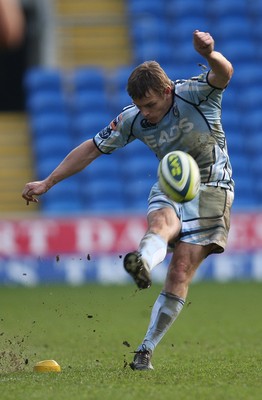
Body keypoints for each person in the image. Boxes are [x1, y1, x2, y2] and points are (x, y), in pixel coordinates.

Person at [22, 30, 234, 370]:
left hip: (213, 188)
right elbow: (92, 147)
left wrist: (209, 53)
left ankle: (145, 350)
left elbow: (224, 73)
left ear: (167, 91)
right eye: (139, 107)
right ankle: (144, 263)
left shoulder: (194, 94)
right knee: (161, 223)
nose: (145, 113)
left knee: (180, 269)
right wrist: (48, 182)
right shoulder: (133, 119)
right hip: (172, 181)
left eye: (150, 105)